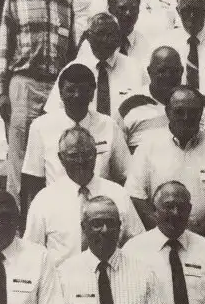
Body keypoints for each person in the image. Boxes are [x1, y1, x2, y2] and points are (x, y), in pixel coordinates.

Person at [0, 0, 74, 207]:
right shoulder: (15, 0)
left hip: (55, 87)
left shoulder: (66, 5)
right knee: (19, 155)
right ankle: (14, 217)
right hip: (24, 84)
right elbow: (3, 51)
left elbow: (69, 54)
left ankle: (54, 210)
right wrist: (2, 93)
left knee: (54, 151)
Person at [126, 86, 205, 245]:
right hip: (160, 242)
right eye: (179, 111)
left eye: (193, 111)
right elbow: (136, 196)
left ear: (201, 113)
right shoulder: (147, 148)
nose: (186, 117)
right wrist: (164, 230)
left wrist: (202, 232)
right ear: (167, 112)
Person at [21, 63, 131, 218]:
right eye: (70, 90)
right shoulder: (41, 127)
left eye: (84, 90)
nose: (77, 96)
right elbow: (32, 180)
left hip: (101, 211)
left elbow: (125, 175)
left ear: (93, 93)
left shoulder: (108, 125)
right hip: (57, 209)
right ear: (60, 93)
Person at [25, 127, 144, 266]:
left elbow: (138, 244)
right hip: (62, 283)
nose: (81, 161)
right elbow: (32, 252)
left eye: (87, 154)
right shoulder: (44, 200)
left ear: (95, 154)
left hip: (111, 280)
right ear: (61, 159)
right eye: (74, 155)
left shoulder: (118, 194)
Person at [45, 12, 143, 117]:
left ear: (118, 37)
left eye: (111, 34)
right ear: (88, 36)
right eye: (100, 34)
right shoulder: (72, 70)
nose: (106, 40)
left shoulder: (134, 68)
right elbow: (54, 113)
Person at [115, 45, 184, 153]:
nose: (168, 76)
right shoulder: (129, 106)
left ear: (182, 71)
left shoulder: (196, 102)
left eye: (174, 71)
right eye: (162, 70)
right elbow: (117, 154)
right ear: (149, 71)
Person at [107, 0, 156, 68]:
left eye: (133, 8)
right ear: (111, 10)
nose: (128, 13)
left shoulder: (147, 45)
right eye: (122, 8)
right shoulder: (99, 43)